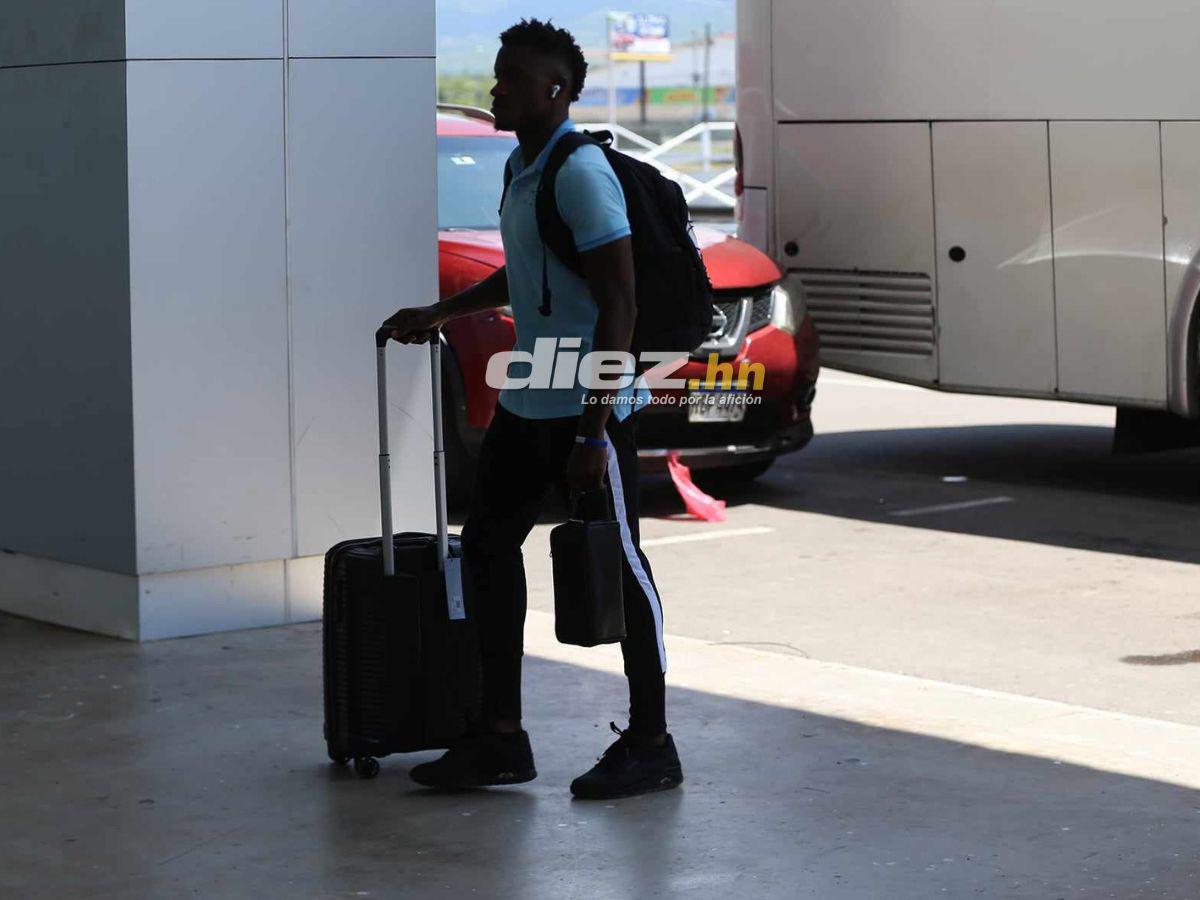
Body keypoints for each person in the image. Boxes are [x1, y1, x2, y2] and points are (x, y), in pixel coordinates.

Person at [383, 18, 682, 800]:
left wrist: (594, 428)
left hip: (590, 405)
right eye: (497, 74)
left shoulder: (580, 172)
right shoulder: (523, 163)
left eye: (510, 77)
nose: (495, 88)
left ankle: (652, 743)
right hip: (530, 396)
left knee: (623, 567)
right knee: (485, 546)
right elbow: (526, 273)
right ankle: (500, 738)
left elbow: (619, 301)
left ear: (555, 90)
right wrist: (438, 313)